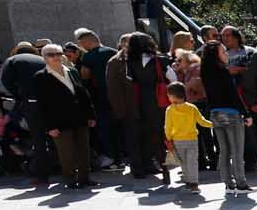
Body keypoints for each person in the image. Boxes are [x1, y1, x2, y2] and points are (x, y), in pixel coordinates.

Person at [34, 43, 96, 190]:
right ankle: (70, 179)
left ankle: (84, 178)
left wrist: (90, 115)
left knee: (84, 149)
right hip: (59, 121)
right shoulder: (41, 77)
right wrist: (50, 126)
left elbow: (83, 95)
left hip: (80, 117)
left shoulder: (73, 71)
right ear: (44, 58)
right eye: (51, 54)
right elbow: (43, 104)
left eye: (58, 54)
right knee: (66, 152)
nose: (56, 57)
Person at [107, 32, 166, 179]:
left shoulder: (140, 60)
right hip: (129, 107)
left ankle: (149, 164)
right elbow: (113, 89)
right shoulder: (115, 62)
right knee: (133, 139)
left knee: (148, 136)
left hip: (145, 106)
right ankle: (137, 168)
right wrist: (120, 111)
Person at [163, 82, 212, 192]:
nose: (168, 97)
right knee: (193, 161)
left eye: (168, 95)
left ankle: (188, 181)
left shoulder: (170, 110)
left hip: (177, 140)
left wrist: (168, 138)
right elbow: (202, 122)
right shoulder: (192, 107)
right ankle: (194, 183)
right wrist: (214, 124)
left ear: (173, 96)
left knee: (183, 163)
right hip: (192, 140)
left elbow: (168, 127)